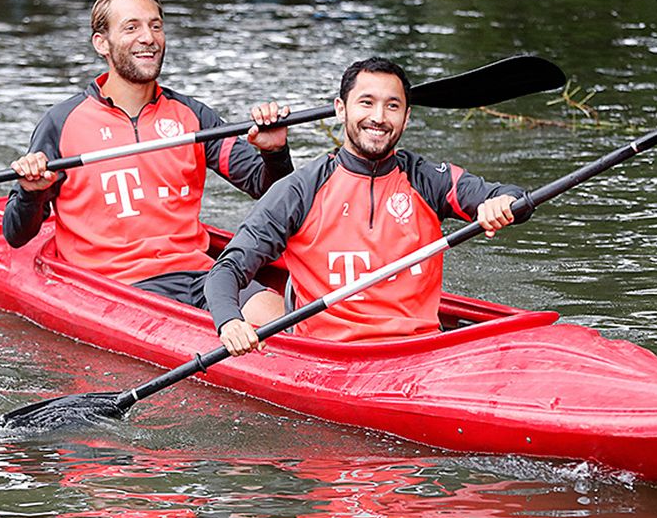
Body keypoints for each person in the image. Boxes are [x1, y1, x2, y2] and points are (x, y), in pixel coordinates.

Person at [204, 57, 533, 355]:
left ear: (406, 117)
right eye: (366, 103)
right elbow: (227, 270)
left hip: (424, 351)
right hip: (332, 358)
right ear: (341, 108)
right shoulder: (300, 189)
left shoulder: (428, 179)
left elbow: (514, 198)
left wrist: (503, 203)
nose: (378, 117)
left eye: (392, 106)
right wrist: (230, 322)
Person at [3, 0, 291, 321]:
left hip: (199, 276)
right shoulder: (61, 123)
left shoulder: (192, 116)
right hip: (115, 287)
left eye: (156, 26)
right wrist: (31, 193)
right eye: (131, 27)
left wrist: (274, 152)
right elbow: (17, 234)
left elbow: (269, 190)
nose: (148, 38)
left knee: (275, 318)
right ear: (102, 44)